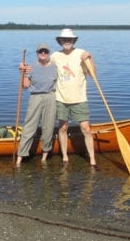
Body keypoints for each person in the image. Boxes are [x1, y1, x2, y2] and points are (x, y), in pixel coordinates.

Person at [51, 28, 97, 166]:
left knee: (86, 128)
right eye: (64, 39)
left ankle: (92, 159)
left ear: (73, 41)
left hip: (79, 98)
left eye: (69, 39)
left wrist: (90, 58)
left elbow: (92, 74)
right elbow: (44, 67)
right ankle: (65, 157)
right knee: (63, 128)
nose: (67, 42)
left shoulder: (81, 53)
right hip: (61, 98)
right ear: (60, 41)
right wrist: (26, 69)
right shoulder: (55, 56)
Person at [15, 43, 57, 166]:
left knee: (48, 127)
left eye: (45, 51)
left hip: (51, 97)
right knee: (29, 127)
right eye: (40, 52)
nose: (43, 53)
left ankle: (44, 157)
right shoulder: (31, 67)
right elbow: (25, 86)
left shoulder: (55, 67)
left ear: (49, 53)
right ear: (37, 53)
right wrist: (22, 72)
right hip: (35, 98)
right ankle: (20, 157)